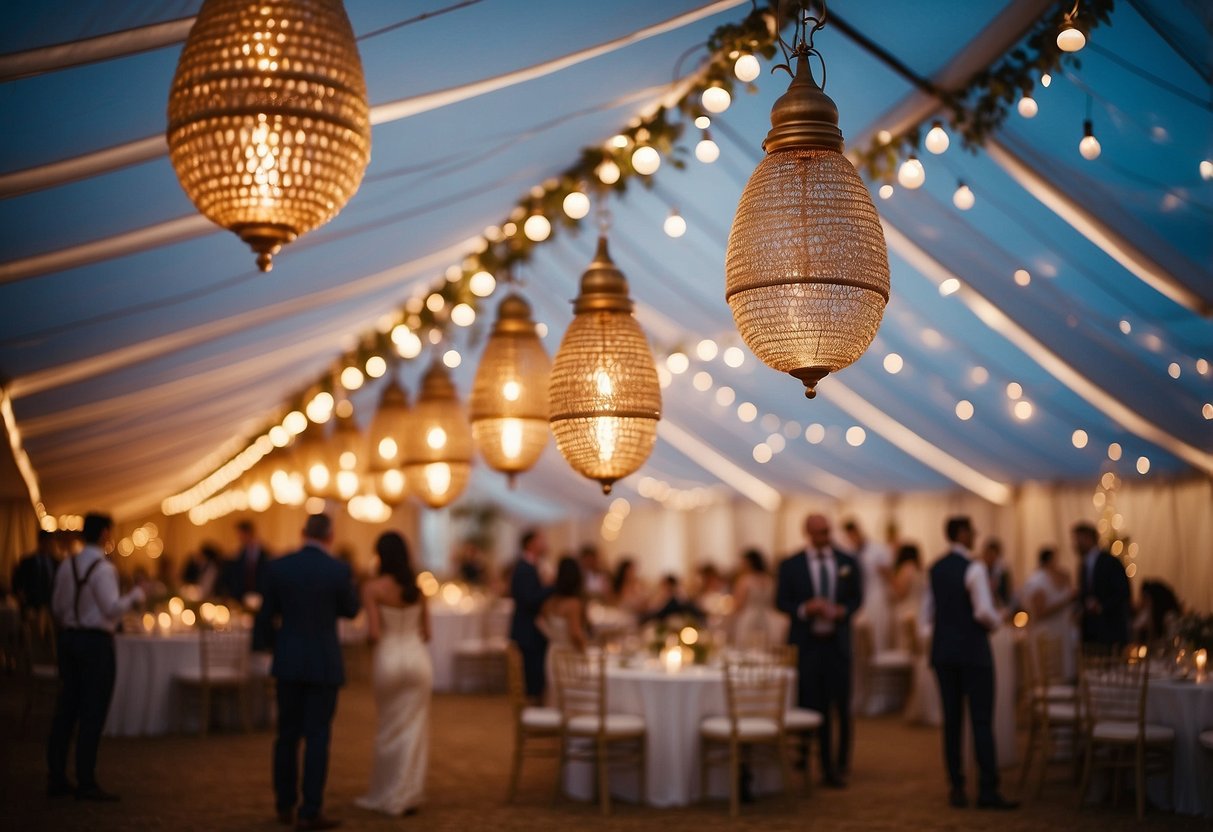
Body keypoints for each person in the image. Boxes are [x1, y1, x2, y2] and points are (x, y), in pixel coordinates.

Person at [255, 513, 360, 830]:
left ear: (303, 533)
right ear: (330, 536)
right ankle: (310, 810)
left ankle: (284, 805)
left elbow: (265, 616)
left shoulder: (278, 566)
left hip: (288, 660)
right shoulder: (338, 569)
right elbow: (351, 610)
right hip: (323, 663)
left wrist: (274, 647)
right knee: (317, 737)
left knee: (286, 735)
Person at [46, 512, 145, 801]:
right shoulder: (103, 568)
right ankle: (86, 781)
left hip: (68, 640)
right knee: (92, 711)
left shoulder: (67, 564)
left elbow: (56, 605)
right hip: (95, 644)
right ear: (104, 534)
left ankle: (56, 777)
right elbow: (112, 609)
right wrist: (136, 595)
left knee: (66, 709)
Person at [920, 516, 1016, 810]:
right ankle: (987, 790)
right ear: (962, 534)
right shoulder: (974, 567)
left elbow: (926, 617)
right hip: (974, 653)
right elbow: (984, 612)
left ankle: (957, 788)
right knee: (981, 720)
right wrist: (1002, 619)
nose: (975, 536)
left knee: (952, 722)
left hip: (943, 654)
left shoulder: (935, 568)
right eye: (972, 531)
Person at [776, 514, 862, 788]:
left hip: (838, 643)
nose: (824, 537)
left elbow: (856, 597)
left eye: (827, 531)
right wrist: (804, 609)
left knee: (842, 705)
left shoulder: (847, 561)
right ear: (807, 533)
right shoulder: (791, 564)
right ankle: (810, 759)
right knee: (811, 702)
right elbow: (781, 601)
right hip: (808, 644)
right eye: (818, 533)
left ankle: (839, 764)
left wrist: (843, 611)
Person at [356, 532, 432, 817]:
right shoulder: (418, 588)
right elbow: (428, 634)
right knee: (414, 728)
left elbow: (374, 633)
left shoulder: (373, 587)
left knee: (388, 727)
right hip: (417, 659)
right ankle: (408, 793)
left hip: (388, 658)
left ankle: (388, 793)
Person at [508, 529, 552, 702]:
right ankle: (533, 710)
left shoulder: (532, 565)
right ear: (530, 544)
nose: (544, 543)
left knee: (535, 671)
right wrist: (551, 588)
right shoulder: (524, 568)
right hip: (527, 629)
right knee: (531, 672)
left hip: (531, 628)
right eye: (540, 540)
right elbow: (528, 599)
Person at [1020, 548, 1077, 679]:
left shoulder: (1053, 578)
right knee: (1048, 675)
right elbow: (1040, 612)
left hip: (1058, 632)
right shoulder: (1038, 580)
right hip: (1046, 635)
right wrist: (1066, 599)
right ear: (1049, 560)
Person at [1072, 522, 1130, 648]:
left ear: (1088, 538)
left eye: (1077, 540)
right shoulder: (1083, 566)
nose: (1075, 545)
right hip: (1091, 632)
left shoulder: (1110, 562)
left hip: (1111, 628)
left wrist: (1101, 606)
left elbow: (1122, 592)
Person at [843, 519, 893, 654]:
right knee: (858, 642)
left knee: (878, 636)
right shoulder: (849, 552)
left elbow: (890, 577)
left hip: (877, 599)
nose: (852, 538)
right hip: (858, 601)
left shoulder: (879, 550)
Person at [731, 549, 775, 649]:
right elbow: (772, 603)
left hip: (748, 618)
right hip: (765, 619)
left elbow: (738, 604)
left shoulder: (745, 581)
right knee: (762, 648)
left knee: (745, 647)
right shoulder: (769, 580)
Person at [13, 530, 60, 617]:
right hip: (32, 607)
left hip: (51, 607)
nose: (50, 545)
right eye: (48, 542)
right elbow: (17, 584)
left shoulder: (56, 562)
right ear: (41, 542)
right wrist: (24, 602)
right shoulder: (27, 562)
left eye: (52, 542)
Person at [221, 519, 270, 600]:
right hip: (243, 595)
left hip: (260, 594)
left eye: (240, 534)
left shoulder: (264, 552)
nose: (239, 537)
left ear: (248, 533)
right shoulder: (240, 553)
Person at [890, 543, 925, 651]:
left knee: (906, 647)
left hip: (906, 611)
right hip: (919, 610)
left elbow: (901, 593)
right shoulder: (920, 570)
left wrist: (891, 581)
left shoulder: (906, 569)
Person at [981, 539, 1012, 610]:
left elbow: (1006, 595)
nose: (990, 558)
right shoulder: (979, 571)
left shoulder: (1002, 573)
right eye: (988, 554)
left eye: (993, 555)